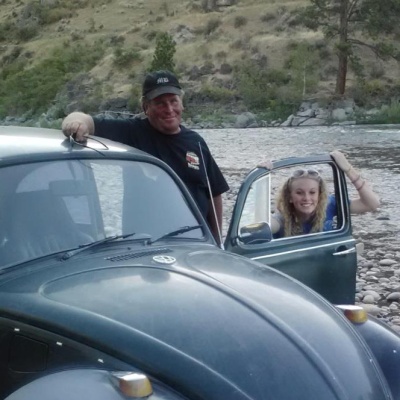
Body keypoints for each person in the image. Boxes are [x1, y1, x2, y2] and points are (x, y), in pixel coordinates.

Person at [61, 70, 229, 245]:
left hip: (196, 243)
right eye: (160, 103)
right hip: (147, 245)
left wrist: (216, 241)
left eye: (173, 101)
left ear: (182, 104)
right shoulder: (132, 133)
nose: (169, 109)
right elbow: (83, 119)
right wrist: (75, 124)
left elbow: (214, 193)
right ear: (145, 108)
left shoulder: (196, 142)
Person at [267, 150, 380, 238]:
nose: (306, 198)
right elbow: (265, 225)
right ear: (289, 197)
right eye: (299, 193)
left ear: (319, 195)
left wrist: (348, 170)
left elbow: (371, 204)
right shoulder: (282, 218)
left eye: (312, 192)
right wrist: (263, 172)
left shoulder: (329, 204)